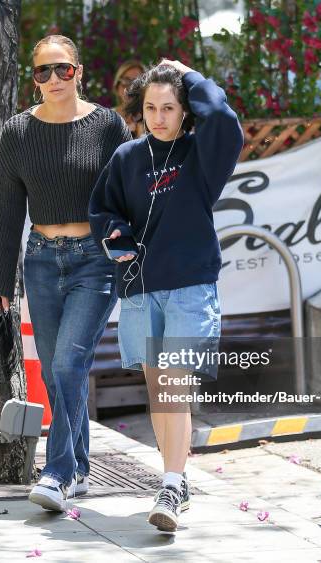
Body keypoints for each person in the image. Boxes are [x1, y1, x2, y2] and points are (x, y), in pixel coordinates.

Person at [0, 35, 131, 512]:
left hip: (95, 258)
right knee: (60, 368)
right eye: (43, 71)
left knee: (67, 364)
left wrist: (131, 250)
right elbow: (6, 210)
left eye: (62, 69)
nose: (53, 79)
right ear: (34, 78)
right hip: (41, 259)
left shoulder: (108, 125)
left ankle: (57, 472)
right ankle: (80, 466)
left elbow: (126, 195)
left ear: (78, 71)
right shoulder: (17, 133)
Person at [89, 60, 244, 531]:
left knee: (175, 389)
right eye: (151, 107)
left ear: (184, 112)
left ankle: (172, 483)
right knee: (160, 393)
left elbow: (223, 117)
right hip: (140, 290)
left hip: (190, 288)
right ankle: (174, 477)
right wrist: (115, 234)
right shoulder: (126, 158)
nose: (159, 116)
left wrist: (189, 73)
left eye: (170, 107)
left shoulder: (203, 154)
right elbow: (104, 210)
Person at [113, 60, 145, 138]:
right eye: (125, 81)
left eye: (136, 83)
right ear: (117, 86)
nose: (130, 87)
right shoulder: (106, 118)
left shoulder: (153, 119)